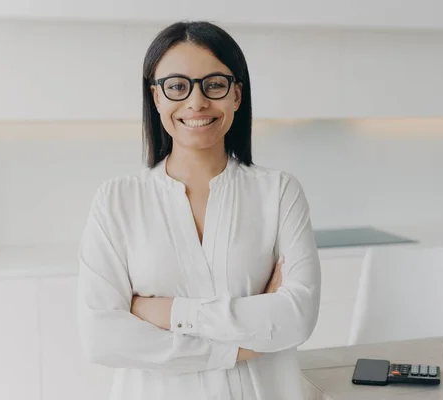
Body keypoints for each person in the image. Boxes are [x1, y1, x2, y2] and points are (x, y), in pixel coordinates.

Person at [76, 20, 321, 400]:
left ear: (236, 95)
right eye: (177, 86)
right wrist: (242, 347)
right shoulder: (116, 200)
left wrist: (166, 313)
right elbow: (103, 338)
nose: (196, 102)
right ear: (156, 97)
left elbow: (297, 317)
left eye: (215, 84)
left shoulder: (279, 192)